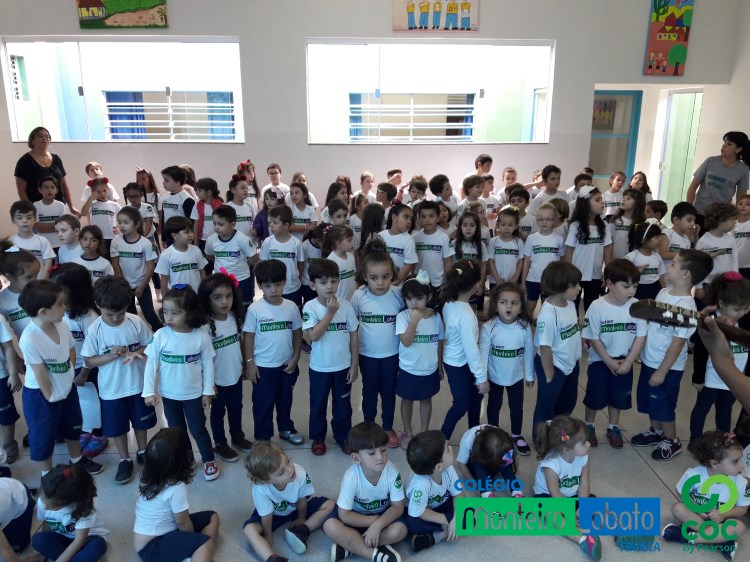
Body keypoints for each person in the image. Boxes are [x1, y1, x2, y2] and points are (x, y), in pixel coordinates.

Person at [632, 249, 713, 461]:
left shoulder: (687, 307)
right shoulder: (663, 293)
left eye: (674, 264)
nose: (669, 266)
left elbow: (678, 343)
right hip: (651, 360)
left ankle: (672, 440)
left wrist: (662, 371)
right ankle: (656, 431)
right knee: (652, 402)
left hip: (667, 367)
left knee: (664, 405)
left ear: (686, 274)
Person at [18, 280, 103, 474]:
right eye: (60, 304)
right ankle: (47, 474)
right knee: (44, 435)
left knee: (73, 426)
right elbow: (40, 373)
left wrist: (69, 374)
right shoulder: (29, 338)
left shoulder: (61, 324)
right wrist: (52, 397)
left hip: (66, 388)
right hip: (42, 395)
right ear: (43, 312)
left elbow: (71, 349)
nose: (65, 307)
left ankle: (77, 459)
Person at [81, 276, 154, 485]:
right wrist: (111, 356)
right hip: (111, 390)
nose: (115, 318)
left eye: (120, 313)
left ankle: (142, 451)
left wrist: (139, 352)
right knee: (118, 427)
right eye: (109, 314)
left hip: (137, 385)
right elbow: (89, 360)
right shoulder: (95, 329)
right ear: (98, 305)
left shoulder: (135, 321)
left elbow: (151, 343)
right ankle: (124, 459)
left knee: (141, 422)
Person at [142, 286, 219, 481]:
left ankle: (208, 460)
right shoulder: (160, 335)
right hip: (169, 395)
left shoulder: (201, 336)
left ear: (190, 313)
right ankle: (187, 459)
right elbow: (151, 364)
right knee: (177, 431)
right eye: (165, 311)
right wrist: (148, 391)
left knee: (198, 429)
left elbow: (208, 365)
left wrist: (208, 391)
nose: (168, 318)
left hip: (194, 394)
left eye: (175, 313)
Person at [581, 259, 646, 449]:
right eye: (626, 286)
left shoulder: (637, 306)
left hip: (625, 361)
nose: (632, 291)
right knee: (595, 397)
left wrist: (629, 362)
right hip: (600, 361)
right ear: (609, 283)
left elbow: (640, 336)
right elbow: (593, 338)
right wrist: (609, 361)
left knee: (618, 397)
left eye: (635, 286)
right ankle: (589, 425)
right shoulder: (596, 306)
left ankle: (613, 427)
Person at [322, 422, 406, 563]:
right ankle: (373, 554)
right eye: (372, 453)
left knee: (400, 530)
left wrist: (378, 525)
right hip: (356, 517)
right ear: (356, 458)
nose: (380, 457)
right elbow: (344, 514)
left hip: (383, 517)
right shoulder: (351, 477)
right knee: (329, 526)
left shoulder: (392, 472)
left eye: (383, 450)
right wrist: (373, 522)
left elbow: (398, 507)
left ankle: (351, 546)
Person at [133, 428, 220, 562]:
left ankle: (193, 556)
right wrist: (194, 542)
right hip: (153, 547)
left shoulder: (148, 476)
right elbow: (182, 522)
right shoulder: (176, 488)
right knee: (205, 544)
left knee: (212, 518)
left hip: (153, 539)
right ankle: (196, 554)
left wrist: (193, 541)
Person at [49, 264, 107, 459]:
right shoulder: (60, 311)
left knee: (97, 400)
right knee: (82, 400)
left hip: (90, 367)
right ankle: (86, 429)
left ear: (75, 290)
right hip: (71, 365)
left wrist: (84, 373)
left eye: (60, 289)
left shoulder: (89, 317)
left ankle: (100, 434)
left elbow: (95, 351)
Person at [244, 259, 303, 446]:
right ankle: (263, 436)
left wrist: (296, 357)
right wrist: (250, 363)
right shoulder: (255, 309)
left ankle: (286, 428)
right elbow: (248, 336)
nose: (273, 290)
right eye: (268, 286)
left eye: (278, 285)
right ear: (260, 285)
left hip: (286, 365)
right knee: (263, 403)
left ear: (285, 281)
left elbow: (297, 333)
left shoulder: (291, 307)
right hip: (263, 367)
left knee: (285, 400)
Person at [303, 258, 359, 456]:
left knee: (343, 405)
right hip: (320, 368)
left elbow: (353, 335)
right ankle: (318, 437)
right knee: (318, 404)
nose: (329, 286)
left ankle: (343, 436)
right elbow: (312, 336)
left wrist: (354, 364)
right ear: (313, 285)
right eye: (323, 282)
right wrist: (330, 313)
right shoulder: (310, 307)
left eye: (334, 281)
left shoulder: (346, 306)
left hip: (342, 366)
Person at [242, 441, 334, 561]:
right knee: (249, 529)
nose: (290, 469)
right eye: (281, 472)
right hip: (273, 516)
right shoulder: (260, 489)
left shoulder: (300, 473)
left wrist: (301, 518)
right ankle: (272, 558)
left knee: (331, 504)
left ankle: (302, 530)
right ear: (268, 481)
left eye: (288, 461)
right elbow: (266, 515)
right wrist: (268, 535)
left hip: (297, 509)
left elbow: (302, 499)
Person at [351, 239, 404, 449]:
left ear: (392, 275)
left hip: (392, 354)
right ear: (365, 277)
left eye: (385, 277)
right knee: (369, 391)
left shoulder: (398, 295)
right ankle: (369, 425)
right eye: (374, 278)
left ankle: (388, 427)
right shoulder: (358, 296)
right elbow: (352, 326)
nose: (380, 283)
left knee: (389, 392)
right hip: (367, 355)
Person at [197, 272, 254, 463]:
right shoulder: (204, 326)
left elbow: (240, 342)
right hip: (216, 380)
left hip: (235, 375)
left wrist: (244, 365)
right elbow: (201, 358)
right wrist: (208, 383)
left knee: (236, 408)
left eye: (228, 296)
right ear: (207, 299)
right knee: (218, 413)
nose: (224, 301)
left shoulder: (234, 317)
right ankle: (220, 443)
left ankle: (237, 436)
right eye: (218, 297)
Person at [662, 431, 748, 553]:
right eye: (735, 461)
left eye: (741, 459)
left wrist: (723, 514)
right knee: (678, 508)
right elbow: (681, 492)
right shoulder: (694, 475)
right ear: (714, 463)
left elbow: (743, 508)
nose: (742, 465)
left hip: (720, 521)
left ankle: (689, 538)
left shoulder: (740, 482)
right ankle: (718, 539)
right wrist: (697, 508)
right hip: (697, 517)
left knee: (739, 527)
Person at [689, 273, 750, 443]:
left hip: (733, 380)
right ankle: (695, 440)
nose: (743, 313)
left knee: (725, 411)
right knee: (701, 409)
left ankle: (723, 441)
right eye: (737, 309)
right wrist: (698, 378)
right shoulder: (710, 323)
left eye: (747, 308)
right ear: (721, 304)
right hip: (711, 379)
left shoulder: (745, 323)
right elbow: (700, 352)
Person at [533, 416, 600, 562]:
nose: (589, 444)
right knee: (551, 514)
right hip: (550, 497)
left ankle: (621, 531)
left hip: (570, 494)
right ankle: (582, 540)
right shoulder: (551, 465)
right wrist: (569, 514)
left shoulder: (583, 456)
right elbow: (555, 493)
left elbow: (584, 483)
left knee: (595, 504)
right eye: (584, 442)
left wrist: (583, 506)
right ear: (566, 448)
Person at [479, 283, 534, 456]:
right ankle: (493, 432)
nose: (509, 306)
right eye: (503, 302)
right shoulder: (489, 328)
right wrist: (482, 379)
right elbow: (483, 356)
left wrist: (529, 375)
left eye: (514, 303)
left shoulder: (524, 327)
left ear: (521, 307)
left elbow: (529, 353)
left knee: (516, 407)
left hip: (516, 378)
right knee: (494, 406)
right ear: (495, 306)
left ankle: (516, 435)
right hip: (494, 378)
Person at [531, 262, 583, 439]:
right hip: (553, 366)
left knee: (568, 402)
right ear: (559, 287)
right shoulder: (548, 314)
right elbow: (545, 347)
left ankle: (559, 433)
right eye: (574, 285)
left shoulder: (570, 304)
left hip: (571, 363)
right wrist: (549, 374)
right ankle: (541, 439)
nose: (579, 288)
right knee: (546, 406)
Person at [439, 259, 488, 440]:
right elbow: (471, 350)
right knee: (461, 405)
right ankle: (442, 437)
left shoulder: (449, 302)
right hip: (458, 364)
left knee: (475, 399)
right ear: (477, 285)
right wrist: (481, 378)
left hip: (459, 362)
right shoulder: (466, 315)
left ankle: (474, 434)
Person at [395, 273, 444, 451]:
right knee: (407, 400)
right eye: (409, 299)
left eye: (419, 298)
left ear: (428, 297)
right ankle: (408, 432)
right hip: (408, 369)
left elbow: (440, 343)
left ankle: (423, 433)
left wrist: (440, 366)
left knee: (426, 400)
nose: (414, 303)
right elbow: (406, 341)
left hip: (429, 369)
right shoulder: (403, 317)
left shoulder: (436, 317)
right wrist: (414, 323)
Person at [33, 464, 108, 561]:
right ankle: (77, 558)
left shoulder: (86, 505)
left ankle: (75, 557)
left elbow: (80, 540)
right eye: (43, 500)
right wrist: (46, 545)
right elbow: (46, 523)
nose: (44, 507)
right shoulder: (45, 500)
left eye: (53, 505)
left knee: (98, 546)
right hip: (63, 537)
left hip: (88, 539)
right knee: (38, 540)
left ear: (70, 502)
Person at [405, 430, 461, 553]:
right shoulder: (421, 484)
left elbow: (459, 494)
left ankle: (434, 536)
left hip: (441, 503)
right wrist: (447, 520)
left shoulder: (448, 468)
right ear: (438, 467)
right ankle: (439, 535)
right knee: (412, 524)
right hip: (422, 512)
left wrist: (456, 518)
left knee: (468, 513)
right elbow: (419, 512)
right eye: (447, 449)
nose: (451, 448)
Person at [110, 207, 162, 331]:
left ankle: (161, 333)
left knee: (150, 315)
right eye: (119, 222)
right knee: (130, 316)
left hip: (142, 285)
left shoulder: (145, 243)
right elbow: (115, 265)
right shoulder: (116, 242)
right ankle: (135, 337)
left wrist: (142, 287)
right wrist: (124, 286)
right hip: (124, 287)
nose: (122, 225)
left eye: (126, 222)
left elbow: (151, 266)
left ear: (137, 224)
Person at [686, 131, 750, 230]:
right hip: (699, 212)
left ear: (738, 149)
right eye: (724, 143)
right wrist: (689, 209)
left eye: (729, 144)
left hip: (722, 218)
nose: (724, 146)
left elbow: (741, 197)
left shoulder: (743, 170)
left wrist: (739, 215)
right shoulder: (711, 161)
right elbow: (693, 186)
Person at [564, 186, 612, 312]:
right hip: (576, 275)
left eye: (601, 199)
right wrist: (568, 274)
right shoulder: (575, 226)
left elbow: (607, 250)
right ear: (585, 204)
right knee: (572, 307)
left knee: (591, 308)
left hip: (595, 275)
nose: (602, 202)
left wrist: (608, 273)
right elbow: (569, 251)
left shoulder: (604, 225)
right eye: (597, 200)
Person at [14, 127, 78, 214]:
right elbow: (21, 191)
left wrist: (71, 206)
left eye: (47, 136)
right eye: (40, 136)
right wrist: (29, 210)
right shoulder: (24, 161)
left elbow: (63, 185)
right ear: (32, 141)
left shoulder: (56, 159)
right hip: (37, 209)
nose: (44, 138)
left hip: (59, 207)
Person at [204, 205, 258, 306]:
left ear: (232, 224)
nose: (216, 227)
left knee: (243, 307)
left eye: (220, 224)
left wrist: (242, 265)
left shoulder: (242, 239)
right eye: (214, 223)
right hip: (221, 281)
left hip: (242, 280)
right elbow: (209, 255)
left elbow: (253, 257)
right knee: (223, 307)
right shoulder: (211, 240)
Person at [455, 424, 522, 497]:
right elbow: (461, 463)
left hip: (492, 459)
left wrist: (511, 463)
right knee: (478, 464)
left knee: (506, 463)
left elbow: (512, 455)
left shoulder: (500, 437)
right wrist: (471, 481)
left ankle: (516, 491)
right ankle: (485, 493)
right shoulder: (467, 440)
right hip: (476, 463)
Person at [521, 203, 564, 314]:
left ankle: (545, 323)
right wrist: (523, 282)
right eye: (541, 219)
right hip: (533, 279)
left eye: (548, 219)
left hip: (551, 280)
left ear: (554, 221)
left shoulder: (559, 239)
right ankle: (527, 323)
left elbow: (562, 262)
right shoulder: (531, 238)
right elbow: (526, 262)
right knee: (530, 306)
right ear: (537, 221)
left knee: (548, 307)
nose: (544, 222)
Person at [259, 205, 305, 308]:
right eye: (270, 222)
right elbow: (263, 265)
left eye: (275, 223)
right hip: (273, 289)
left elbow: (300, 264)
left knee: (294, 313)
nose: (271, 225)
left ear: (286, 225)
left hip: (293, 289)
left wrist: (295, 278)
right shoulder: (267, 242)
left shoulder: (296, 243)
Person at [414, 201, 455, 303]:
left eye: (431, 216)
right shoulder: (415, 238)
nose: (427, 220)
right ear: (419, 218)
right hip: (419, 282)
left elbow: (448, 262)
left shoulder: (444, 238)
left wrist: (446, 283)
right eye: (423, 216)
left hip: (437, 284)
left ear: (438, 218)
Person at [695, 202, 739, 293]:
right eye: (732, 219)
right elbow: (698, 265)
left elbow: (734, 261)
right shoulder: (703, 241)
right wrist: (699, 287)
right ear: (721, 220)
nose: (735, 222)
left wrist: (736, 279)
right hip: (709, 283)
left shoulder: (731, 240)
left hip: (727, 282)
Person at [155, 216, 207, 293]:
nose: (191, 235)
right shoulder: (166, 255)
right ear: (174, 235)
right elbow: (164, 280)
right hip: (177, 298)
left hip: (197, 295)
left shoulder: (196, 250)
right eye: (186, 232)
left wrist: (204, 292)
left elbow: (202, 272)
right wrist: (165, 298)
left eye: (192, 231)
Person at [0, 244, 39, 340]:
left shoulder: (43, 291)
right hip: (28, 347)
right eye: (29, 277)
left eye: (36, 274)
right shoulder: (2, 300)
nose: (35, 280)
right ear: (9, 277)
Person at [453, 211, 489, 311]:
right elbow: (451, 266)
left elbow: (483, 266)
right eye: (465, 225)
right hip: (459, 284)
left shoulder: (481, 245)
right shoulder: (454, 244)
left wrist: (481, 285)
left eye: (472, 225)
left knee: (472, 309)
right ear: (460, 227)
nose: (468, 228)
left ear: (477, 227)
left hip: (475, 284)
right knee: (459, 308)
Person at [10, 200, 54, 279]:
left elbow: (48, 263)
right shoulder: (10, 242)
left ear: (35, 219)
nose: (24, 221)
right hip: (18, 283)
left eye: (29, 217)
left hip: (39, 283)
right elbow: (8, 264)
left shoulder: (42, 241)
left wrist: (41, 282)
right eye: (20, 218)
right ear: (13, 220)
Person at [624, 220, 667, 300]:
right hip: (638, 290)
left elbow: (661, 276)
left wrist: (664, 292)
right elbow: (621, 274)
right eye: (656, 237)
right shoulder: (632, 256)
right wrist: (636, 272)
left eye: (660, 236)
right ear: (644, 240)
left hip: (655, 288)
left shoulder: (657, 256)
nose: (660, 239)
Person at [80, 178, 121, 258]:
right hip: (96, 238)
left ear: (108, 190)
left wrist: (119, 229)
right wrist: (91, 198)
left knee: (112, 259)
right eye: (98, 192)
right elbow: (83, 213)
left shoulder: (115, 205)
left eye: (104, 190)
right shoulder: (92, 204)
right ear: (93, 193)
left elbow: (122, 219)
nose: (102, 194)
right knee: (98, 258)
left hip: (111, 238)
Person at [379, 204, 417, 286]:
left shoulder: (409, 240)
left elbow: (408, 264)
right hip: (381, 283)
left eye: (411, 219)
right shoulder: (380, 236)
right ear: (394, 217)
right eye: (406, 217)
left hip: (399, 286)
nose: (409, 222)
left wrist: (396, 282)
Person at [190, 178, 223, 271]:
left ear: (209, 192)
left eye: (199, 190)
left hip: (219, 241)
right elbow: (196, 225)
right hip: (203, 241)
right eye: (196, 190)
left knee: (219, 266)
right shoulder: (197, 206)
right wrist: (195, 243)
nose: (197, 193)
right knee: (205, 268)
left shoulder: (221, 205)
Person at [0, 477, 36, 560]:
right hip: (7, 490)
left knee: (17, 546)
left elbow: (6, 550)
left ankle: (31, 501)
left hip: (20, 498)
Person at [488, 207, 524, 287]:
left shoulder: (519, 242)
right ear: (498, 225)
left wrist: (514, 280)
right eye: (503, 224)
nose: (506, 228)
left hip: (513, 283)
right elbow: (490, 262)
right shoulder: (493, 242)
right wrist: (497, 280)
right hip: (495, 282)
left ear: (516, 226)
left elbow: (520, 262)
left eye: (510, 225)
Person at [658, 201, 700, 270]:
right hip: (665, 273)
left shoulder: (686, 238)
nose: (693, 223)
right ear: (676, 220)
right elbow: (662, 254)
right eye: (689, 220)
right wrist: (684, 253)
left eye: (694, 220)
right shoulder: (667, 233)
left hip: (678, 274)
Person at [33, 176, 70, 252]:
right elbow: (36, 227)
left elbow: (63, 226)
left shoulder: (60, 205)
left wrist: (43, 228)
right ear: (40, 190)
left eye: (52, 187)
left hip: (59, 244)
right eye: (46, 187)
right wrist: (56, 224)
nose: (49, 190)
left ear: (56, 190)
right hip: (42, 245)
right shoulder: (35, 206)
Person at [0, 313, 18, 465]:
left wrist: (13, 374)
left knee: (6, 413)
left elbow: (8, 347)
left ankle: (9, 444)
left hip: (0, 376)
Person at [608, 188, 646, 260]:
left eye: (628, 198)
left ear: (637, 203)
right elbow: (609, 242)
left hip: (634, 261)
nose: (624, 200)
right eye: (623, 197)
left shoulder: (642, 223)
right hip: (616, 260)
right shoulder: (615, 220)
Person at [324, 225, 357, 302]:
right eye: (349, 240)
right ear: (338, 243)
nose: (353, 243)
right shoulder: (330, 261)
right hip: (338, 302)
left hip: (352, 300)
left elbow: (354, 278)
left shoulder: (351, 257)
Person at [160, 165, 196, 230]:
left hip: (182, 234)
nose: (163, 183)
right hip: (168, 233)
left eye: (167, 180)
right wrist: (163, 235)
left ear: (177, 182)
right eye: (164, 180)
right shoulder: (164, 198)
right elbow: (163, 219)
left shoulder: (187, 200)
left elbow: (192, 223)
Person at [226, 174, 259, 240]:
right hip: (234, 242)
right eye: (242, 188)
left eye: (246, 188)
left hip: (249, 241)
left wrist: (255, 230)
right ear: (233, 190)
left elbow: (256, 223)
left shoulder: (249, 206)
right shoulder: (227, 207)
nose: (246, 190)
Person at [734, 194, 750, 278]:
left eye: (748, 204)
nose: (743, 206)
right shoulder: (732, 225)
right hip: (736, 264)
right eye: (740, 204)